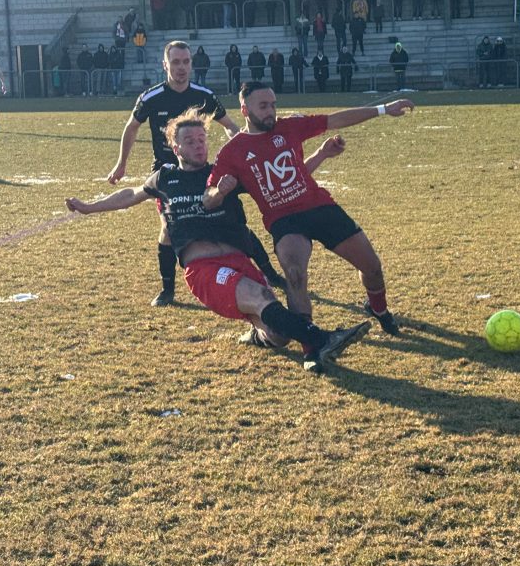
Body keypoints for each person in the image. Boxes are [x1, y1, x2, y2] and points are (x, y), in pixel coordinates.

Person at [68, 108, 370, 373]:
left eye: (202, 140)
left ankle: (260, 335)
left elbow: (287, 177)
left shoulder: (224, 172)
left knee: (279, 335)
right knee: (263, 299)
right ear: (176, 147)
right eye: (190, 142)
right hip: (205, 269)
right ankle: (321, 339)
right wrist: (90, 207)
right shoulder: (165, 178)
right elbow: (130, 195)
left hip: (240, 262)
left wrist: (322, 154)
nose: (199, 146)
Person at [205, 83, 415, 336]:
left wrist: (383, 109)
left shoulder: (290, 127)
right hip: (283, 220)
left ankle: (378, 309)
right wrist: (220, 191)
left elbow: (335, 119)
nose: (270, 111)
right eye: (263, 106)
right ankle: (310, 341)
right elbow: (208, 199)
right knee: (294, 274)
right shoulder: (232, 152)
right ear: (245, 110)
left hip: (319, 208)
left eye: (273, 105)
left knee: (371, 267)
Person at [106, 40, 283, 306]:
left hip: (199, 171)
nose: (181, 68)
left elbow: (230, 126)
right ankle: (168, 290)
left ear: (192, 63)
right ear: (165, 64)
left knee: (232, 220)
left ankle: (269, 272)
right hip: (167, 175)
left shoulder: (204, 95)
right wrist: (121, 163)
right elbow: (132, 127)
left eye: (186, 62)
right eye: (175, 62)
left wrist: (245, 150)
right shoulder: (151, 97)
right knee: (168, 228)